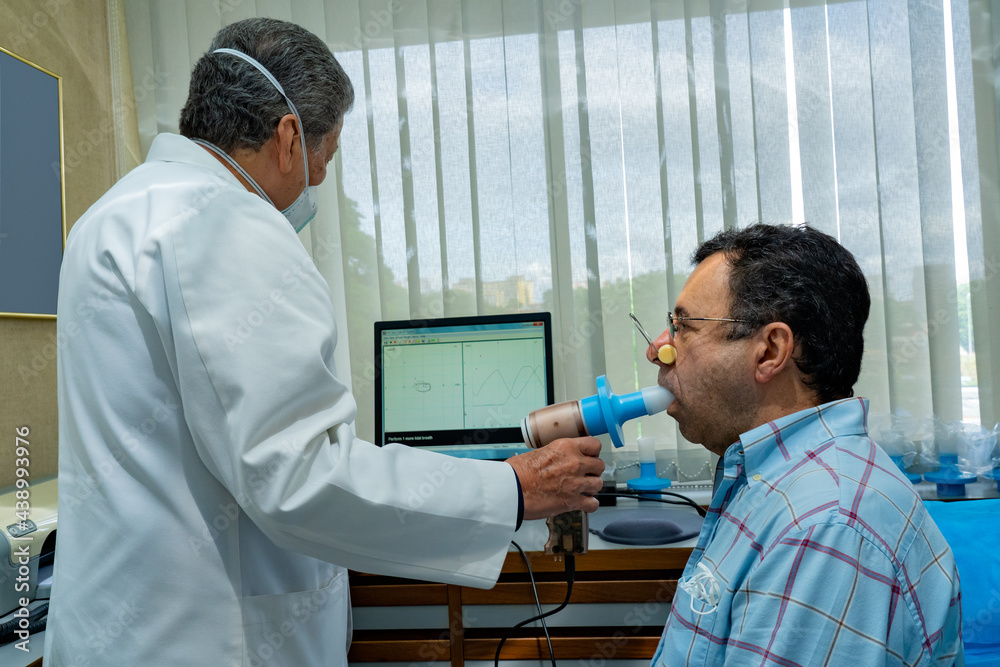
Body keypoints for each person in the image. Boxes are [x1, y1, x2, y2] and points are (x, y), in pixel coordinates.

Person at [45, 18, 603, 666]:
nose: (317, 180)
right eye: (324, 157)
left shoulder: (113, 215)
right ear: (287, 136)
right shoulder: (226, 222)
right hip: (208, 640)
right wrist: (510, 488)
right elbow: (299, 475)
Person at [645, 224, 962, 666]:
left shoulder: (823, 529)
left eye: (683, 326)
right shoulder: (769, 479)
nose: (658, 348)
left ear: (771, 350)